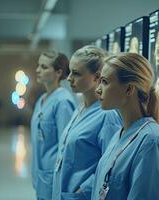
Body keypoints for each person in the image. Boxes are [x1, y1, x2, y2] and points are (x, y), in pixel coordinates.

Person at [93, 52, 159, 200]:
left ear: (129, 89)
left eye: (105, 82)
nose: (98, 89)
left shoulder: (152, 142)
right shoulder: (122, 133)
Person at [52, 45, 122, 200]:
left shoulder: (107, 116)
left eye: (76, 73)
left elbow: (112, 167)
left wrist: (83, 190)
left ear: (96, 77)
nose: (69, 78)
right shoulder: (81, 108)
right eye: (70, 71)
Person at [31, 50, 76, 200]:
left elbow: (66, 147)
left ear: (58, 72)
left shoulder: (63, 102)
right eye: (38, 66)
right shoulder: (42, 99)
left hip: (53, 176)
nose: (38, 70)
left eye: (44, 67)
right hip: (41, 173)